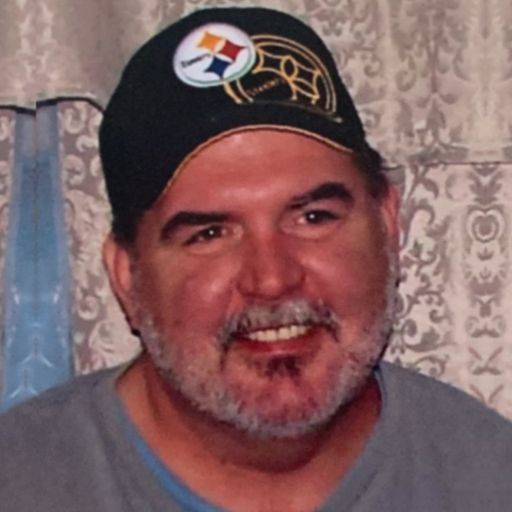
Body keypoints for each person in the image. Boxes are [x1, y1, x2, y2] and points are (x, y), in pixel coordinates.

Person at [1, 7, 512, 512]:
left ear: (387, 225)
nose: (271, 279)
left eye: (313, 217)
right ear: (127, 278)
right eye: (209, 234)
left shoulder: (489, 478)